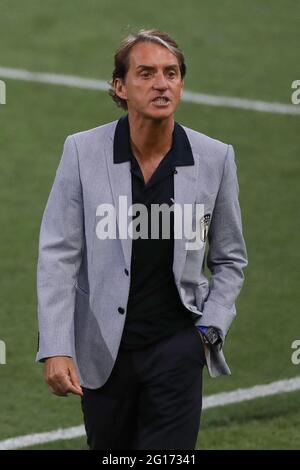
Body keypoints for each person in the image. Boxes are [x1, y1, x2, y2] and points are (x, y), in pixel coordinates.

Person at [36, 29, 248, 450]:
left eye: (171, 73)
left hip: (177, 351)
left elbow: (229, 258)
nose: (161, 83)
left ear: (181, 84)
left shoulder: (215, 158)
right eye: (146, 73)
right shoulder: (82, 151)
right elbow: (59, 255)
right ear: (120, 86)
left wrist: (207, 332)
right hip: (104, 354)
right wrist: (57, 347)